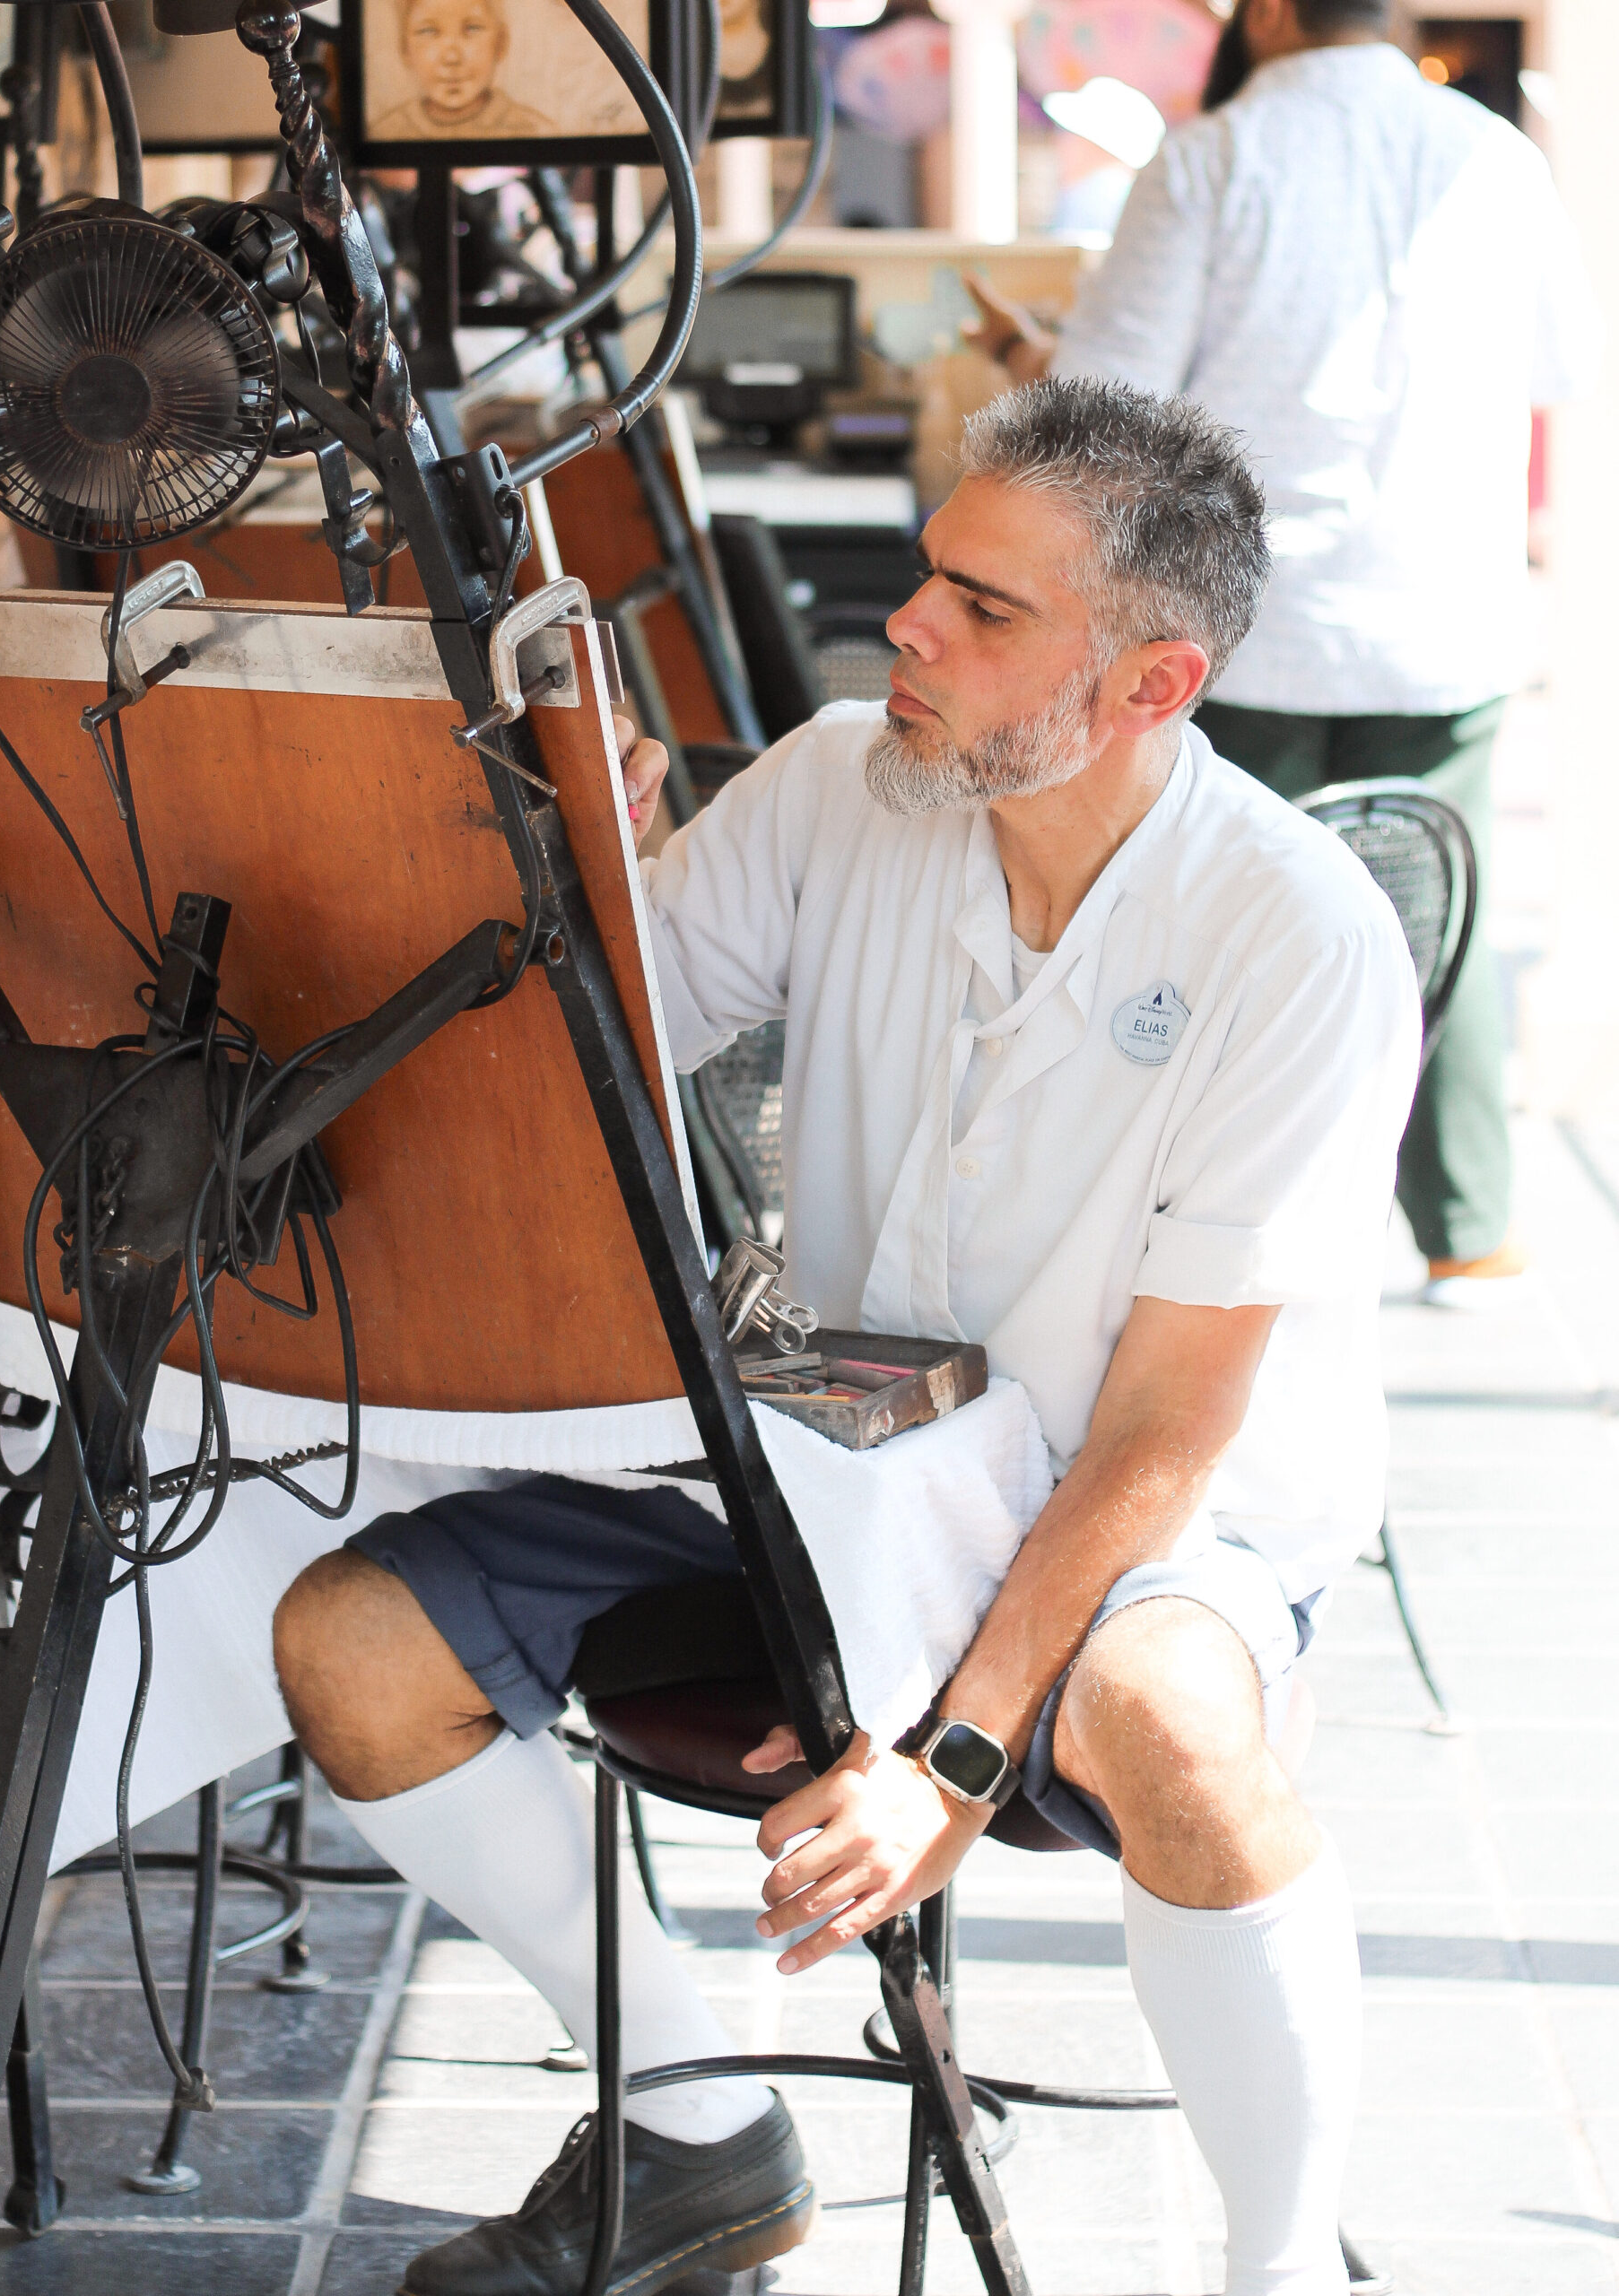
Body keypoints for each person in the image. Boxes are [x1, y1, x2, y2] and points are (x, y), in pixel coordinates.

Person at [272, 378, 1420, 2296]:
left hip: (1145, 1494)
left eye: (981, 608)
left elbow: (1162, 1424)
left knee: (1171, 1725)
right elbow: (594, 1060)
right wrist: (572, 865)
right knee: (351, 1645)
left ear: (1148, 684)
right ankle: (697, 2127)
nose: (903, 621)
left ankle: (1279, 2260)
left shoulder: (1288, 932)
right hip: (841, 1405)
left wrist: (948, 1761)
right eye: (922, 577)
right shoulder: (835, 778)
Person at [964, 0, 1600, 1307]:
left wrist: (1027, 356)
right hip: (1441, 607)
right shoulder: (1491, 156)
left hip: (1243, 628)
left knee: (1212, 911)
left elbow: (1112, 411)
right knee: (1436, 907)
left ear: (1264, 12)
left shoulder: (1212, 157)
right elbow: (1553, 366)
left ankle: (1216, 1229)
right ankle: (1467, 1228)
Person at [369, 0, 552, 143]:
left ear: (501, 41)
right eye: (429, 31)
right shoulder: (385, 131)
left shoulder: (533, 129)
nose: (451, 57)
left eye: (472, 28)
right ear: (404, 47)